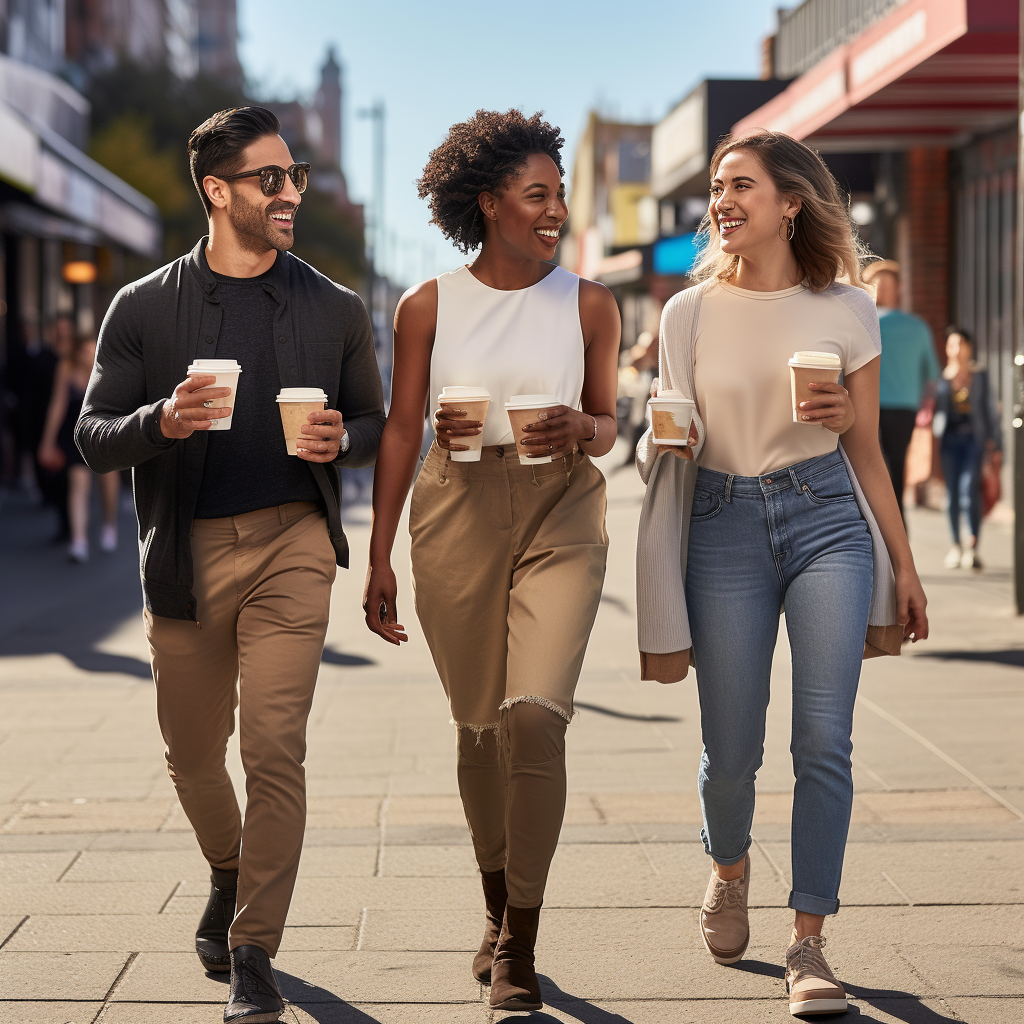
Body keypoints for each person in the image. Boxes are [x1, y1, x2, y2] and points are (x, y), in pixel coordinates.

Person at [76, 106, 385, 1024]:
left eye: (292, 177)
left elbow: (374, 421)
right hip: (187, 552)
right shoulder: (142, 307)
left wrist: (344, 440)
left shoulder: (335, 308)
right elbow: (93, 440)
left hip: (295, 542)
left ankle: (255, 950)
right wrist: (160, 421)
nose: (289, 193)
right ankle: (227, 863)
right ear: (218, 191)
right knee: (192, 753)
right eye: (270, 180)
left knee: (273, 745)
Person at [635, 130, 928, 1017]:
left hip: (827, 517)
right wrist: (664, 433)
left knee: (824, 739)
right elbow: (671, 429)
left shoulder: (848, 307)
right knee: (732, 750)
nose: (722, 201)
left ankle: (810, 942)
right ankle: (729, 870)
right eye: (718, 188)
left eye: (741, 187)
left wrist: (904, 564)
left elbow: (869, 450)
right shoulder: (688, 313)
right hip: (721, 521)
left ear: (791, 202)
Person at [362, 110, 619, 1012]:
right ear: (490, 202)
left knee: (536, 717)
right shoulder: (426, 304)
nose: (554, 210)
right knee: (480, 727)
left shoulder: (590, 302)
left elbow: (610, 422)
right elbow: (400, 427)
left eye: (559, 195)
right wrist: (379, 554)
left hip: (561, 506)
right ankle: (495, 905)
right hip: (454, 508)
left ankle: (521, 943)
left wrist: (583, 427)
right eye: (536, 194)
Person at [861, 260, 939, 519]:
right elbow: (932, 376)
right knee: (897, 467)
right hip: (906, 410)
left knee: (867, 467)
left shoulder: (861, 323)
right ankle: (900, 526)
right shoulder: (918, 327)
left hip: (866, 406)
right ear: (900, 289)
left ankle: (875, 527)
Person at [38, 336, 120, 562]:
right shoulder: (66, 368)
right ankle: (79, 541)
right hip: (76, 437)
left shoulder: (110, 370)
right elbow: (57, 404)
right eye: (85, 351)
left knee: (108, 481)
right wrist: (48, 440)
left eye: (93, 351)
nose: (89, 356)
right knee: (78, 483)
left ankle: (109, 525)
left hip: (104, 435)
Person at [934, 327, 1000, 570]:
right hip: (949, 440)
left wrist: (996, 443)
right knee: (951, 495)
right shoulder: (943, 376)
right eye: (952, 344)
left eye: (960, 343)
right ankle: (955, 546)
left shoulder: (979, 374)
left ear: (969, 347)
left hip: (974, 439)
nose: (956, 349)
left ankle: (972, 547)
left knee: (968, 490)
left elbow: (991, 410)